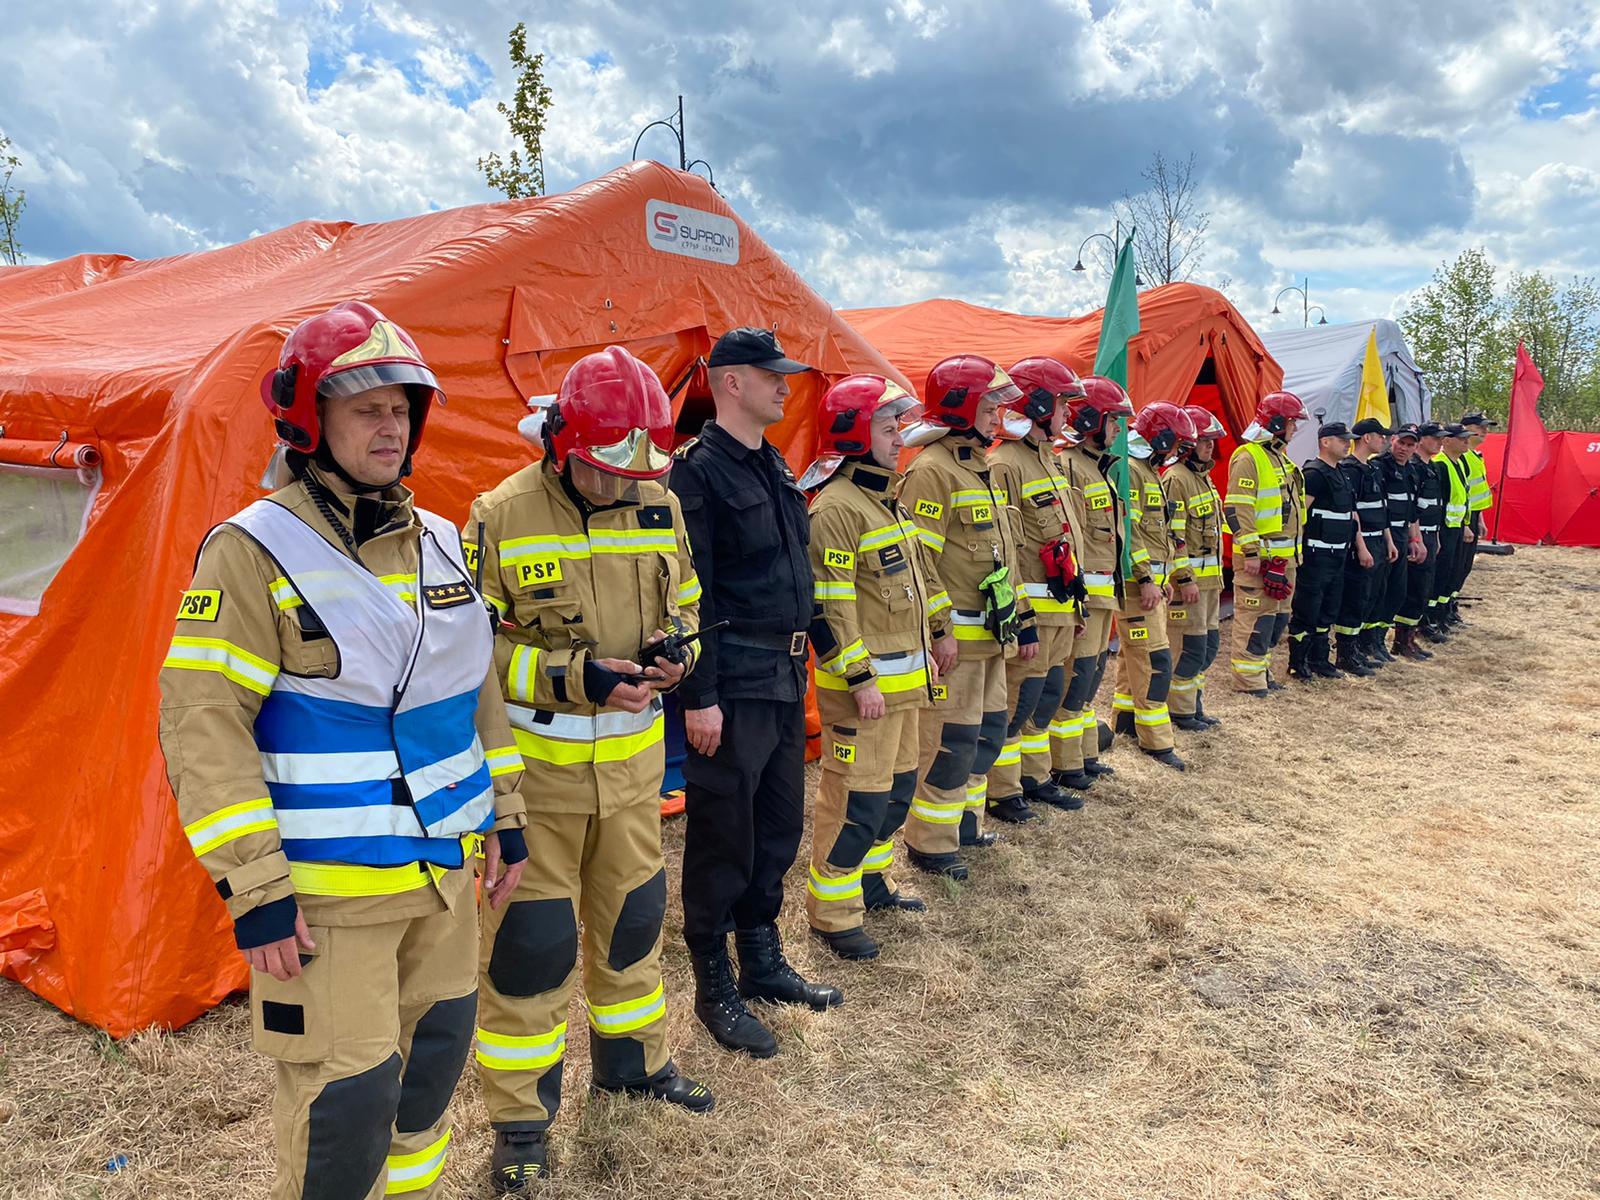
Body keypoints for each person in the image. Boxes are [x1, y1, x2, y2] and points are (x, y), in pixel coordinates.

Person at [158, 302, 528, 1200]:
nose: (390, 425)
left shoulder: (443, 542)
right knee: (345, 1110)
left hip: (444, 877)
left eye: (401, 408)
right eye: (366, 408)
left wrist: (507, 816)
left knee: (428, 1077)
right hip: (329, 899)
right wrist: (255, 888)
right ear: (307, 418)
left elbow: (473, 688)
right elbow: (202, 721)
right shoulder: (253, 550)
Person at [469, 346, 715, 1187]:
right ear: (562, 443)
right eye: (607, 468)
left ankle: (633, 1066)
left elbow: (686, 600)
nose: (622, 484)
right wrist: (575, 677)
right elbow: (470, 657)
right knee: (531, 951)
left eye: (637, 469)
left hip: (636, 776)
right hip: (539, 784)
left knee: (633, 925)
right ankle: (520, 1125)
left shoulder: (658, 502)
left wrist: (676, 653)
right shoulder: (500, 514)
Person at [669, 327, 843, 1059]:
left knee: (776, 827)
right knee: (724, 835)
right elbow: (694, 592)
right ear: (731, 382)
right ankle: (714, 984)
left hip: (784, 677)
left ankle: (762, 960)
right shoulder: (697, 473)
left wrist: (826, 643)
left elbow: (794, 571)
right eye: (772, 375)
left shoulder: (773, 463)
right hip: (733, 683)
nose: (785, 385)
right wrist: (700, 694)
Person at [801, 374, 943, 961]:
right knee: (855, 801)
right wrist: (859, 679)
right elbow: (829, 605)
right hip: (864, 694)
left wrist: (933, 638)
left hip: (904, 689)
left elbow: (914, 587)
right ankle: (833, 914)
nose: (899, 438)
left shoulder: (886, 500)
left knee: (896, 791)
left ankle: (871, 882)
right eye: (888, 428)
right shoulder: (836, 508)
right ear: (855, 435)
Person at [898, 354, 1031, 878]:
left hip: (992, 637)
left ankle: (965, 824)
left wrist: (1019, 620)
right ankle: (930, 842)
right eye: (990, 407)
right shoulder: (931, 471)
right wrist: (939, 631)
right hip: (958, 643)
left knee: (987, 734)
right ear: (960, 407)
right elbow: (920, 563)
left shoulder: (980, 466)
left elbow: (1005, 555)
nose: (998, 417)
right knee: (950, 743)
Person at [984, 357, 1090, 816]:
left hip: (1060, 608)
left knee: (1046, 697)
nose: (1069, 413)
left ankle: (1035, 776)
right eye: (1063, 403)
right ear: (1040, 405)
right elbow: (1003, 551)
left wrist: (1078, 606)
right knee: (1017, 701)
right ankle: (1003, 790)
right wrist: (1021, 618)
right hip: (1033, 613)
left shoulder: (1049, 461)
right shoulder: (1005, 464)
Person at [1053, 377, 1136, 788]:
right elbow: (1071, 540)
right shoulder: (1070, 466)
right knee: (1075, 680)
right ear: (1090, 420)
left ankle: (1084, 755)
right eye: (1113, 421)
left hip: (1106, 597)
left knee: (1090, 679)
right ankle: (1064, 765)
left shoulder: (1098, 469)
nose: (1119, 430)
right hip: (1087, 597)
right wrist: (1079, 601)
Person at [1111, 401, 1196, 769]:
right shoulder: (1132, 471)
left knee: (1133, 659)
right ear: (1159, 437)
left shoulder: (1146, 470)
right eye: (1176, 442)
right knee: (1154, 662)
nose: (1178, 450)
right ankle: (1156, 743)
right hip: (1137, 585)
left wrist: (1161, 579)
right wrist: (1146, 578)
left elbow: (1156, 534)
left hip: (1148, 585)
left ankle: (1125, 725)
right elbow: (1129, 532)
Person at [1224, 391, 1310, 694]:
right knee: (1255, 621)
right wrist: (1251, 552)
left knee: (1275, 621)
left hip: (1284, 561)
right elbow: (1238, 507)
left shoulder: (1280, 458)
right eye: (1291, 422)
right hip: (1260, 560)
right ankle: (1248, 681)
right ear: (1276, 423)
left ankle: (1262, 672)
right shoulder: (1249, 457)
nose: (1295, 428)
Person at [1163, 407, 1227, 731]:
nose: (1210, 446)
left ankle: (1194, 704)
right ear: (1187, 443)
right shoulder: (1176, 479)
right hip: (1190, 586)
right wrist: (1185, 578)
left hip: (1210, 583)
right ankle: (1180, 711)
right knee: (1189, 649)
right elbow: (1173, 536)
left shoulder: (1203, 478)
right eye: (1204, 440)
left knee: (1208, 647)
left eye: (1212, 440)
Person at [1289, 422, 1360, 681]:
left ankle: (1319, 659)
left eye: (1348, 439)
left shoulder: (1341, 473)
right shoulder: (1314, 474)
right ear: (1325, 442)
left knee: (1328, 609)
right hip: (1316, 556)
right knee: (1308, 609)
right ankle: (1298, 663)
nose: (1348, 444)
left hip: (1338, 555)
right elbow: (1300, 516)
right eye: (1342, 440)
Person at [1333, 418, 1399, 673]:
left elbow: (1381, 509)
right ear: (1366, 438)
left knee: (1374, 595)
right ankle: (1346, 654)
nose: (1384, 440)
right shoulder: (1350, 469)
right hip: (1363, 542)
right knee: (1356, 598)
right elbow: (1353, 512)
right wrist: (1360, 546)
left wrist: (1389, 541)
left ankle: (1363, 647)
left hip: (1379, 540)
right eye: (1380, 435)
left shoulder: (1372, 469)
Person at [1374, 424, 1428, 660]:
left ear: (1416, 447)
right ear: (1392, 440)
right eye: (1401, 443)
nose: (1404, 448)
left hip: (1402, 535)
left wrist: (1415, 539)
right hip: (1383, 535)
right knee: (1379, 591)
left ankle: (1381, 640)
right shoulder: (1379, 466)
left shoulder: (1412, 471)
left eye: (1410, 445)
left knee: (1397, 592)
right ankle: (1370, 641)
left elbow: (1412, 511)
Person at [1396, 422, 1447, 649]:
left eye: (1441, 438)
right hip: (1417, 535)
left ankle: (1411, 635)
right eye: (1434, 438)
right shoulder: (1414, 467)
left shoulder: (1431, 467)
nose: (1439, 442)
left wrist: (1435, 536)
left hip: (1430, 533)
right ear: (1422, 440)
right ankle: (1402, 640)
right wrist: (1415, 539)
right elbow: (1413, 509)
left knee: (1425, 586)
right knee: (1414, 588)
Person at [1429, 424, 1474, 633]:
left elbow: (1462, 498)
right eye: (1461, 438)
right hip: (1445, 528)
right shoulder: (1441, 464)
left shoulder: (1460, 463)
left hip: (1456, 527)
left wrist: (1466, 524)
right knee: (1440, 574)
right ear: (1447, 441)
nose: (1466, 441)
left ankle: (1444, 614)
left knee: (1452, 573)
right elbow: (1441, 501)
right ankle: (1431, 618)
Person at [1456, 412, 1498, 609]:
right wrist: (1466, 522)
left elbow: (1471, 493)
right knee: (1458, 564)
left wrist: (1479, 518)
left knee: (1465, 564)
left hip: (1471, 515)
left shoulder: (1474, 456)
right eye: (1480, 427)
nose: (1485, 431)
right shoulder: (1461, 457)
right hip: (1460, 519)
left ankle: (1450, 604)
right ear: (1466, 428)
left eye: (1486, 427)